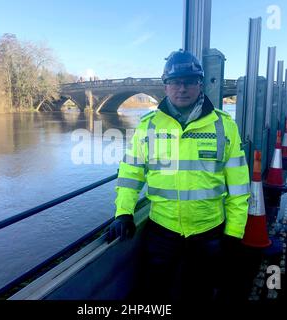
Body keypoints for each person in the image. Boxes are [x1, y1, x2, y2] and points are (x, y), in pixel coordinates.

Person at [108, 49, 250, 301]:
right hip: (163, 229)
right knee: (155, 294)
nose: (181, 88)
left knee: (200, 293)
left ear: (200, 84)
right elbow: (131, 173)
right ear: (165, 86)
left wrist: (235, 232)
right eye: (174, 82)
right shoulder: (148, 125)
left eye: (189, 82)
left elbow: (239, 186)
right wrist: (123, 212)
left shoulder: (224, 126)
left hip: (209, 231)